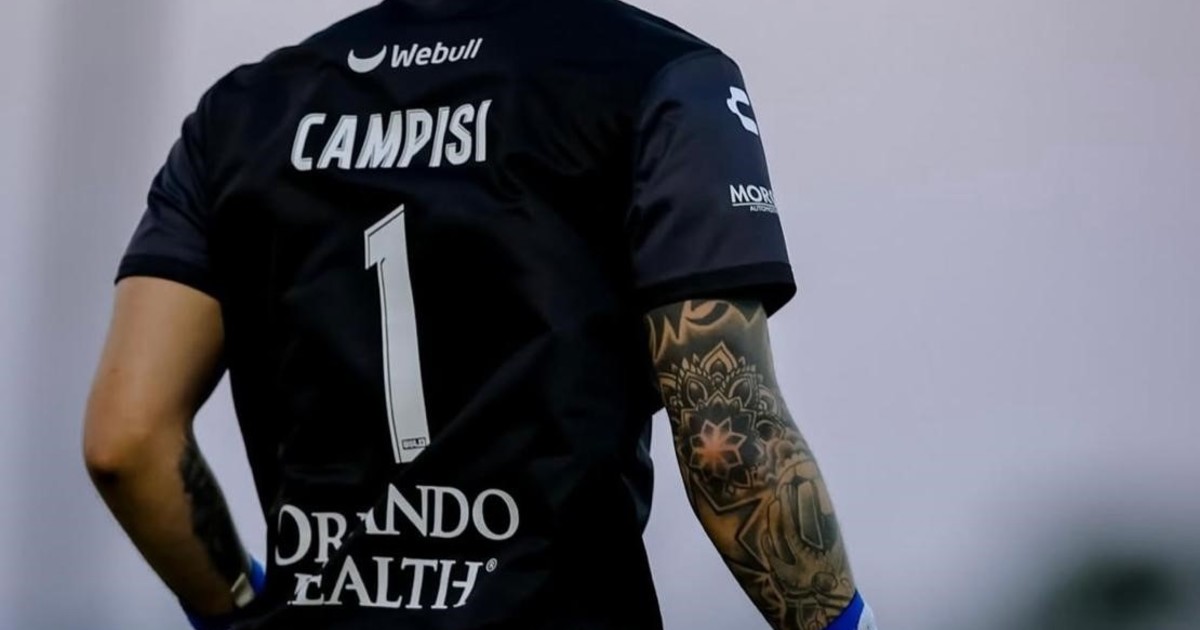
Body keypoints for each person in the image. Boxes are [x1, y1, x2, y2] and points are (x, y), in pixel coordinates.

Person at [83, 0, 876, 628]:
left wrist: (238, 613)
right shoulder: (663, 79)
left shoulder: (242, 114)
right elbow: (730, 449)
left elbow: (125, 440)